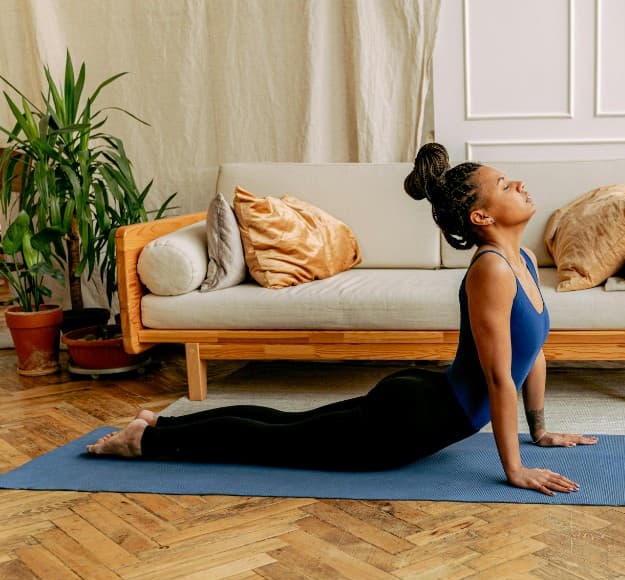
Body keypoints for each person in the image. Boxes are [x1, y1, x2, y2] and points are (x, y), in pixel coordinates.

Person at [86, 143, 597, 496]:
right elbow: (496, 378)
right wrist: (516, 469)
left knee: (290, 426)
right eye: (506, 184)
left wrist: (541, 431)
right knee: (277, 442)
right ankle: (146, 440)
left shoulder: (523, 261)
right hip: (413, 422)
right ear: (481, 217)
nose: (520, 185)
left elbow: (533, 354)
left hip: (422, 400)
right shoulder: (492, 271)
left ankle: (158, 424)